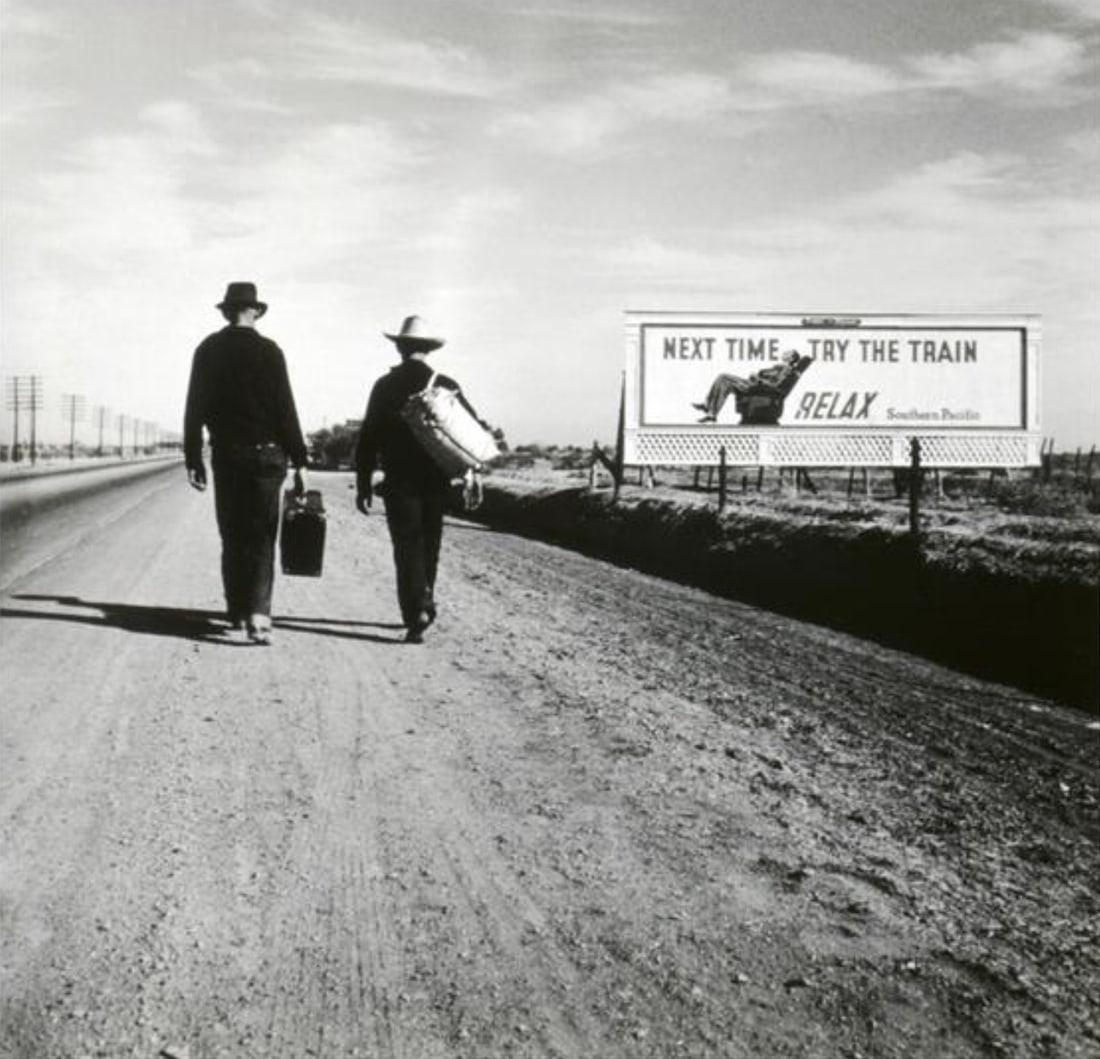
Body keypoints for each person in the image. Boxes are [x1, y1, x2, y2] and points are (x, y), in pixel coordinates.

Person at [183, 281, 308, 644]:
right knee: (262, 535)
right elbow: (286, 408)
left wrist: (194, 457)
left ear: (226, 312)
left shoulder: (207, 350)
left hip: (228, 454)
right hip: (269, 454)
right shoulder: (271, 352)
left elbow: (195, 408)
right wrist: (299, 458)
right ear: (256, 312)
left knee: (232, 532)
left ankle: (236, 610)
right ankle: (258, 614)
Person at [355, 315, 491, 644]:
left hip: (399, 479)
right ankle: (424, 600)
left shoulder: (385, 386)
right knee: (430, 543)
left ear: (400, 347)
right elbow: (470, 428)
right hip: (436, 479)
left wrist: (363, 483)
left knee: (406, 547)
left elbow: (369, 437)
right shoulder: (445, 383)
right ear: (428, 349)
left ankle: (416, 608)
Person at [693, 350, 813, 425]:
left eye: (788, 352)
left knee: (723, 377)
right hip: (754, 385)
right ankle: (711, 412)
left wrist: (758, 379)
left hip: (756, 388)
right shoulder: (778, 367)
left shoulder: (785, 369)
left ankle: (709, 408)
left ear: (791, 358)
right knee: (723, 382)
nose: (784, 352)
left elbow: (775, 385)